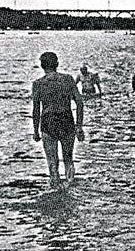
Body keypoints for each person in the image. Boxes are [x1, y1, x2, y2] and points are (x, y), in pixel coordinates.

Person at [32, 52, 85, 188]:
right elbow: (79, 103)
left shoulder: (38, 84)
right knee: (68, 158)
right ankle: (70, 188)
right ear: (57, 64)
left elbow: (36, 110)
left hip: (48, 122)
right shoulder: (68, 79)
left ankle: (55, 190)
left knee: (52, 162)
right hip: (66, 120)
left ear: (42, 66)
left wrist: (36, 131)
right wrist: (79, 126)